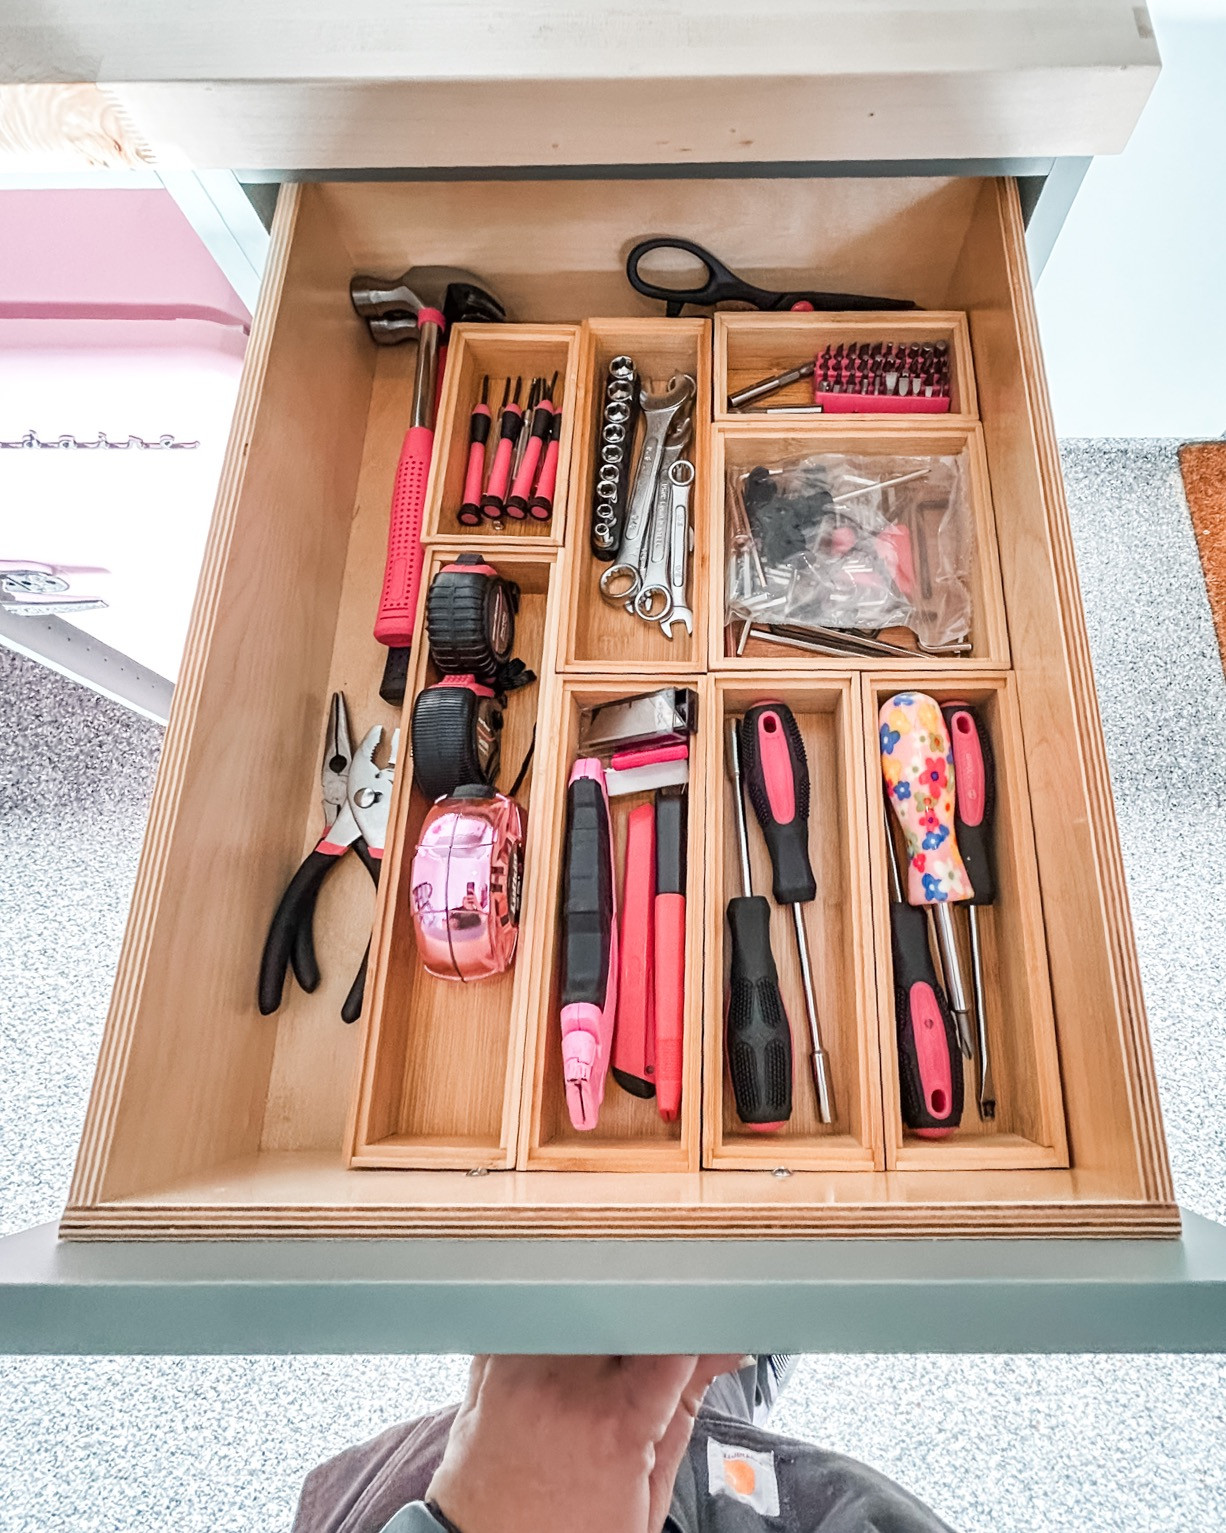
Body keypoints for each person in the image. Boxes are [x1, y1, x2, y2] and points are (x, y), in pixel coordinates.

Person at [293, 1355, 954, 1532]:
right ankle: (737, 1368)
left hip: (480, 1491)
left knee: (665, 1405)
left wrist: (469, 1523)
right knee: (712, 1427)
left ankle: (729, 1374)